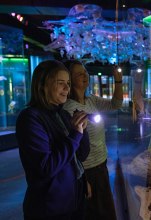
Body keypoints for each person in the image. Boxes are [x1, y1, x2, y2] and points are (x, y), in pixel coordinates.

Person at [15, 60, 90, 220]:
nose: (67, 88)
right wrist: (75, 135)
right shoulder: (30, 118)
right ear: (43, 85)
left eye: (68, 83)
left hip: (74, 202)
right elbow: (45, 167)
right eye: (60, 83)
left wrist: (83, 130)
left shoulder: (62, 114)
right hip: (50, 209)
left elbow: (81, 156)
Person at [63, 60, 123, 220]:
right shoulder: (68, 108)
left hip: (100, 165)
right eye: (79, 73)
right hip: (87, 171)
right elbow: (70, 147)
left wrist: (118, 80)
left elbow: (116, 104)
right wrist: (81, 178)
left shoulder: (91, 100)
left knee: (106, 211)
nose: (85, 75)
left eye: (85, 72)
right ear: (70, 79)